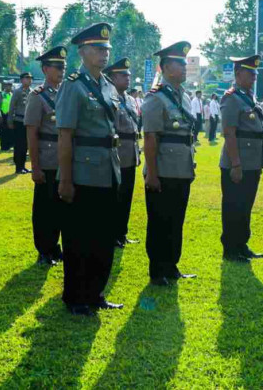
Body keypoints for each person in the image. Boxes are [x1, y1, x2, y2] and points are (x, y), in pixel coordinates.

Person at [56, 22, 123, 315]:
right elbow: (65, 135)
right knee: (78, 238)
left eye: (106, 49)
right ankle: (75, 296)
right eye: (98, 49)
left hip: (108, 170)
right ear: (82, 52)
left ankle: (95, 293)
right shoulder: (73, 85)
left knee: (103, 237)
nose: (104, 54)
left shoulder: (108, 86)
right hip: (82, 173)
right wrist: (66, 179)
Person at [142, 41, 197, 286]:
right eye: (179, 64)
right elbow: (151, 138)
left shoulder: (183, 96)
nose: (185, 68)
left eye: (185, 64)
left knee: (177, 218)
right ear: (164, 67)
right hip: (162, 169)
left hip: (181, 168)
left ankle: (172, 264)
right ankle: (157, 270)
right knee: (160, 219)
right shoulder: (156, 98)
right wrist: (151, 174)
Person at [219, 55, 263, 262]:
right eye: (250, 73)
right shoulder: (231, 98)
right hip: (237, 161)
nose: (254, 77)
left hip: (253, 161)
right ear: (238, 74)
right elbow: (229, 133)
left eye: (256, 73)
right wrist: (236, 164)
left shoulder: (249, 96)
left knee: (246, 205)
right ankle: (230, 247)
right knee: (233, 205)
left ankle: (241, 243)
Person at [25, 46, 66, 266]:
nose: (61, 71)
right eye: (57, 67)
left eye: (64, 67)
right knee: (44, 208)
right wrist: (36, 166)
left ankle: (55, 247)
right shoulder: (37, 96)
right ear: (45, 68)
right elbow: (31, 132)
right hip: (47, 158)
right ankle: (44, 249)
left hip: (64, 160)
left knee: (60, 207)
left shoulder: (65, 94)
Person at [105, 57, 141, 248]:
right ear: (111, 78)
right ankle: (112, 234)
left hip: (131, 153)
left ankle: (122, 232)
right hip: (117, 154)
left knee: (127, 196)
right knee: (116, 197)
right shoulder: (109, 99)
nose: (127, 78)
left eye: (128, 75)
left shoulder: (131, 100)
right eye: (122, 75)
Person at [9, 72, 32, 173]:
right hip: (19, 121)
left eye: (30, 78)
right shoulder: (17, 91)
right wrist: (10, 120)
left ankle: (23, 166)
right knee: (19, 145)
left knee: (26, 145)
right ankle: (18, 167)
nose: (29, 80)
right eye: (27, 78)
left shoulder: (31, 92)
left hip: (28, 122)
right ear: (22, 80)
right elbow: (12, 106)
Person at [0, 80, 14, 151]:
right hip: (3, 115)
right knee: (3, 131)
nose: (9, 87)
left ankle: (10, 145)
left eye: (10, 86)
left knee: (10, 131)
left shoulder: (12, 95)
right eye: (8, 85)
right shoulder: (1, 95)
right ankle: (4, 147)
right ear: (5, 86)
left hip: (10, 115)